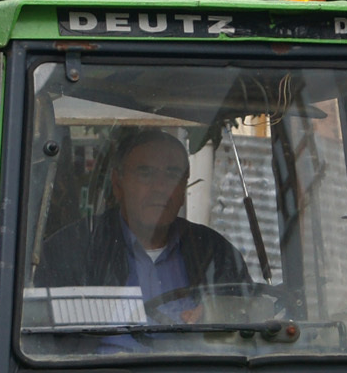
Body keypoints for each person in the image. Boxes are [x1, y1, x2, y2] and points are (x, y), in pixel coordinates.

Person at [31, 126, 249, 322]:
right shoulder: (72, 250)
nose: (160, 187)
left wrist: (217, 316)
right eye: (145, 174)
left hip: (191, 365)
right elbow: (47, 339)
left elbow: (248, 323)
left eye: (172, 175)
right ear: (118, 185)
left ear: (184, 187)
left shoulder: (215, 254)